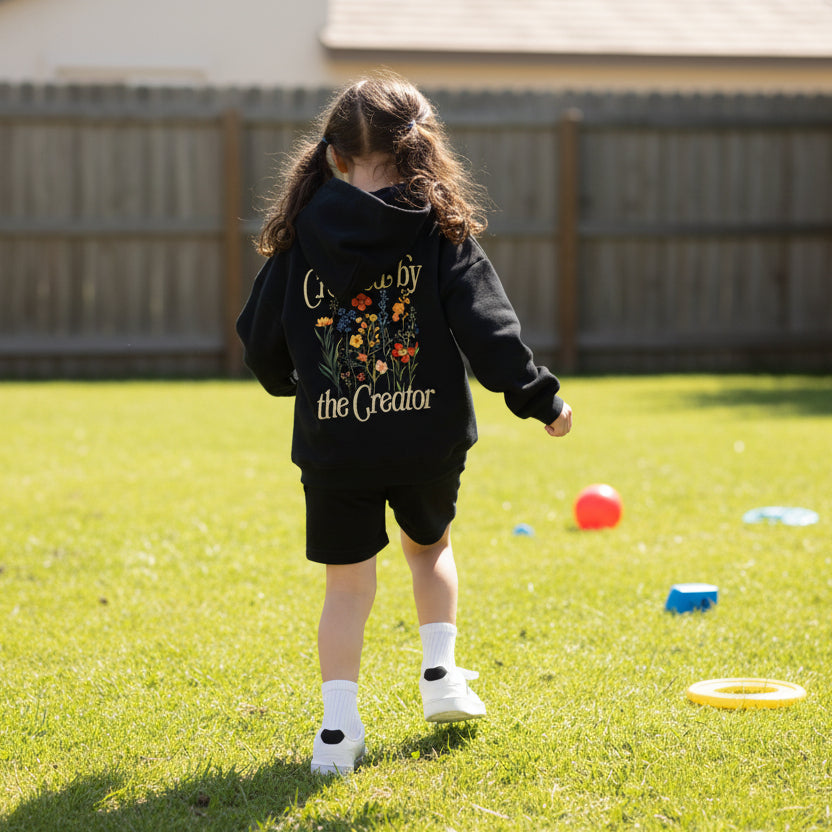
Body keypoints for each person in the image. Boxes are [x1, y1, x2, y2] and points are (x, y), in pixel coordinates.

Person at [236, 72, 572, 776]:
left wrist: (284, 383)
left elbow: (260, 337)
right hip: (427, 440)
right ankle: (441, 676)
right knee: (430, 550)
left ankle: (336, 732)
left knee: (347, 587)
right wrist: (540, 399)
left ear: (332, 155)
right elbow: (491, 330)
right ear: (421, 149)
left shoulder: (300, 238)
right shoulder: (440, 230)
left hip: (336, 444)